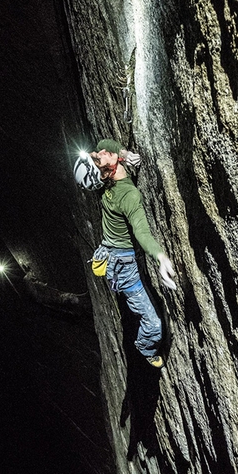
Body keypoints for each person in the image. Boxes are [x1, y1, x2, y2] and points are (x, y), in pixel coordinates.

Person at [73, 139, 176, 368]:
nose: (101, 151)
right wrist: (160, 256)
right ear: (107, 171)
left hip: (111, 254)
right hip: (124, 267)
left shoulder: (105, 180)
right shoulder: (128, 196)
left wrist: (123, 153)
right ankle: (146, 349)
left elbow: (104, 142)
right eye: (99, 157)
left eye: (95, 153)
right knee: (153, 325)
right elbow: (141, 233)